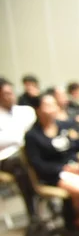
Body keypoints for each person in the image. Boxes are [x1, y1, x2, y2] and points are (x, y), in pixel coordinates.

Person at [24, 94, 79, 236]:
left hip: (76, 168)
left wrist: (78, 163)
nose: (52, 108)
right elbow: (37, 164)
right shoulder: (33, 136)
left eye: (54, 104)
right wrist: (63, 169)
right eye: (47, 105)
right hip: (53, 174)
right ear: (38, 109)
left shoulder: (66, 126)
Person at [0, 78, 37, 219]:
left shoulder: (25, 111)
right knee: (21, 167)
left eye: (11, 93)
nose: (11, 96)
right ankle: (32, 208)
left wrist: (15, 137)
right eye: (6, 94)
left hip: (28, 152)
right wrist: (18, 137)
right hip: (6, 158)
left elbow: (33, 133)